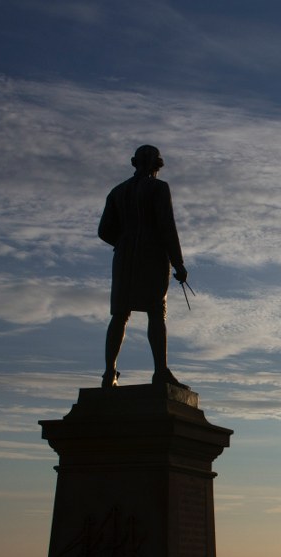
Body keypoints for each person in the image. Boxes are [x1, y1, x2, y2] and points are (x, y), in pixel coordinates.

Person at [98, 145, 189, 389]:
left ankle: (109, 373)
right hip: (152, 254)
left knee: (120, 314)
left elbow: (104, 231)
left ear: (134, 162)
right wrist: (178, 263)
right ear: (156, 166)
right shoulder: (158, 188)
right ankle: (160, 371)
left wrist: (124, 241)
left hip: (124, 255)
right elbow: (167, 227)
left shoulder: (117, 191)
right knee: (156, 313)